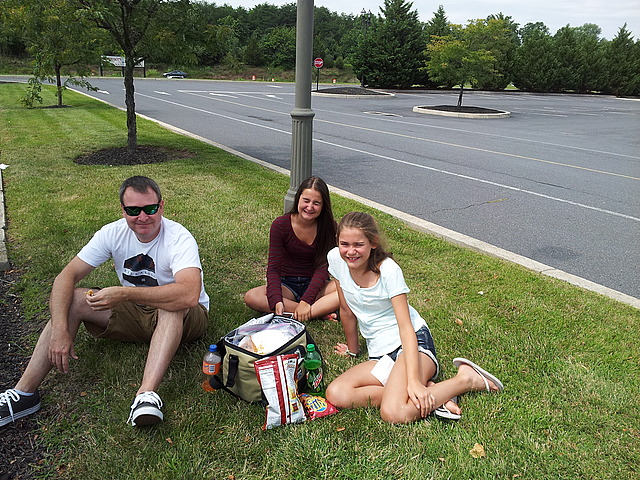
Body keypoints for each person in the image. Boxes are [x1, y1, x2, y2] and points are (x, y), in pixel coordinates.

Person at [0, 176, 209, 428]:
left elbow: (188, 294)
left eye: (150, 208)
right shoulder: (112, 233)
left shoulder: (178, 237)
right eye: (133, 210)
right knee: (76, 298)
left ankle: (146, 396)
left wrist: (124, 294)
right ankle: (24, 394)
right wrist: (59, 330)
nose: (143, 217)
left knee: (172, 304)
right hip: (138, 314)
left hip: (188, 316)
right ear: (123, 210)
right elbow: (66, 276)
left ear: (161, 206)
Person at [325, 212, 503, 424]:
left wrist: (413, 381)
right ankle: (435, 392)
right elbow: (346, 309)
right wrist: (353, 350)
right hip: (382, 353)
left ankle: (465, 380)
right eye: (344, 243)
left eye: (358, 244)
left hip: (411, 344)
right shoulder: (335, 259)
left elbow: (406, 327)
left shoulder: (389, 270)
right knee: (337, 393)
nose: (350, 251)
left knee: (394, 412)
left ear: (373, 243)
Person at [244, 176, 339, 321]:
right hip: (287, 285)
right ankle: (317, 312)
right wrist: (277, 300)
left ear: (323, 205)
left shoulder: (330, 227)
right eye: (306, 200)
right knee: (252, 297)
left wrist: (306, 300)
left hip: (317, 285)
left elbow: (323, 268)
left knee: (346, 290)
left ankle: (302, 311)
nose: (309, 207)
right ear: (298, 199)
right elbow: (273, 268)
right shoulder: (280, 225)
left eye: (316, 203)